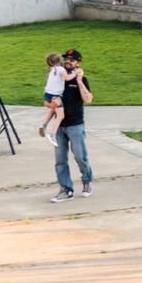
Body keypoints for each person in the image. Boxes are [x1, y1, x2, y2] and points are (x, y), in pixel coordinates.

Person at [49, 50, 94, 201]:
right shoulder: (57, 77)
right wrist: (51, 104)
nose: (68, 61)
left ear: (78, 63)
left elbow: (88, 99)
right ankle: (66, 189)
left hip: (75, 125)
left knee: (81, 157)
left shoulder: (81, 79)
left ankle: (87, 180)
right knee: (60, 160)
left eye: (72, 59)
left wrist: (80, 81)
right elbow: (46, 101)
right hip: (59, 125)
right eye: (66, 58)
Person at [39, 51, 66, 137]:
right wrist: (74, 74)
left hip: (47, 94)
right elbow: (66, 78)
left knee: (53, 110)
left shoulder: (51, 70)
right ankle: (53, 134)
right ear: (59, 60)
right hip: (55, 95)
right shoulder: (60, 69)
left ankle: (43, 124)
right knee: (60, 115)